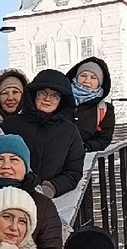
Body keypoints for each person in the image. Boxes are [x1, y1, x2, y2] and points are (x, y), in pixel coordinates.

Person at [18, 70, 86, 198]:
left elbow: (73, 171)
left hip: (51, 201)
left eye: (55, 95)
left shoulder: (70, 131)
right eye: (42, 93)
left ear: (61, 101)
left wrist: (52, 187)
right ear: (33, 95)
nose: (47, 98)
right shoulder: (11, 125)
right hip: (13, 196)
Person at [68, 57, 117, 150]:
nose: (87, 80)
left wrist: (85, 147)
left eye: (93, 77)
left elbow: (104, 139)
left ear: (100, 83)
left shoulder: (104, 109)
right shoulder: (60, 99)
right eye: (83, 75)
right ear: (76, 77)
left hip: (85, 159)